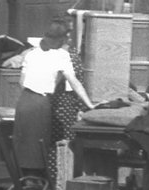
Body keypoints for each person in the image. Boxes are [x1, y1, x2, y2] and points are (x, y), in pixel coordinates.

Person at [13, 18, 95, 175]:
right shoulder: (62, 56)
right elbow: (75, 83)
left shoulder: (32, 53)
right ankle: (38, 187)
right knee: (39, 149)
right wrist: (89, 105)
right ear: (63, 38)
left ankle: (25, 185)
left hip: (24, 102)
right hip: (40, 104)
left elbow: (22, 82)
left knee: (23, 148)